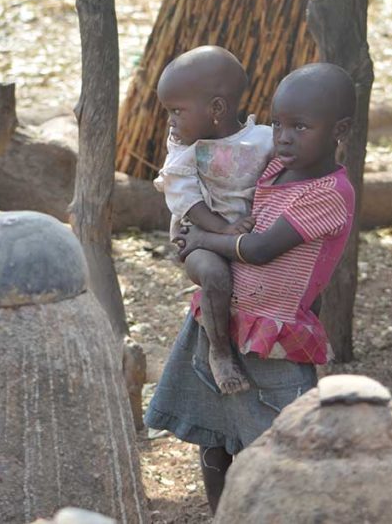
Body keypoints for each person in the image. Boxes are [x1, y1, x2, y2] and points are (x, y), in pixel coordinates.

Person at [145, 63, 357, 514]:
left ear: (340, 130)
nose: (283, 136)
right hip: (222, 319)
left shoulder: (329, 192)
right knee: (214, 431)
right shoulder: (273, 168)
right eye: (278, 123)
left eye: (300, 127)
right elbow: (212, 163)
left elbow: (260, 248)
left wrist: (201, 239)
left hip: (275, 337)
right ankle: (223, 513)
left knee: (285, 443)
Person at [154, 46, 275, 395]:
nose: (170, 121)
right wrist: (221, 228)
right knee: (214, 274)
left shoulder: (263, 140)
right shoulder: (184, 149)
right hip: (199, 239)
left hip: (250, 237)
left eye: (177, 111)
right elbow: (183, 196)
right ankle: (219, 352)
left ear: (217, 109)